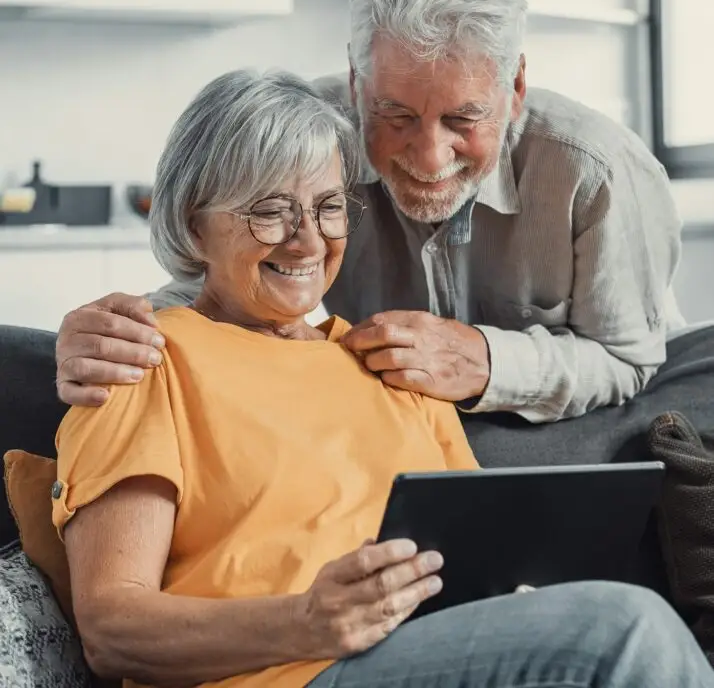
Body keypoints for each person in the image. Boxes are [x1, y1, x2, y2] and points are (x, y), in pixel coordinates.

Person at [52, 69, 713, 688]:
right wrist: (306, 621)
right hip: (289, 672)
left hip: (428, 651)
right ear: (195, 223)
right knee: (623, 628)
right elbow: (113, 630)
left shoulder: (389, 366)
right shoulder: (140, 362)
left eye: (328, 206)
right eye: (269, 209)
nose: (306, 241)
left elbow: (483, 565)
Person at [56, 0, 684, 422]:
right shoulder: (314, 133)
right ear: (358, 86)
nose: (430, 157)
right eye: (395, 115)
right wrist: (113, 339)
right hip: (389, 433)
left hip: (576, 425)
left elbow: (629, 361)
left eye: (464, 118)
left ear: (514, 86)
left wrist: (490, 362)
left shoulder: (597, 170)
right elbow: (221, 283)